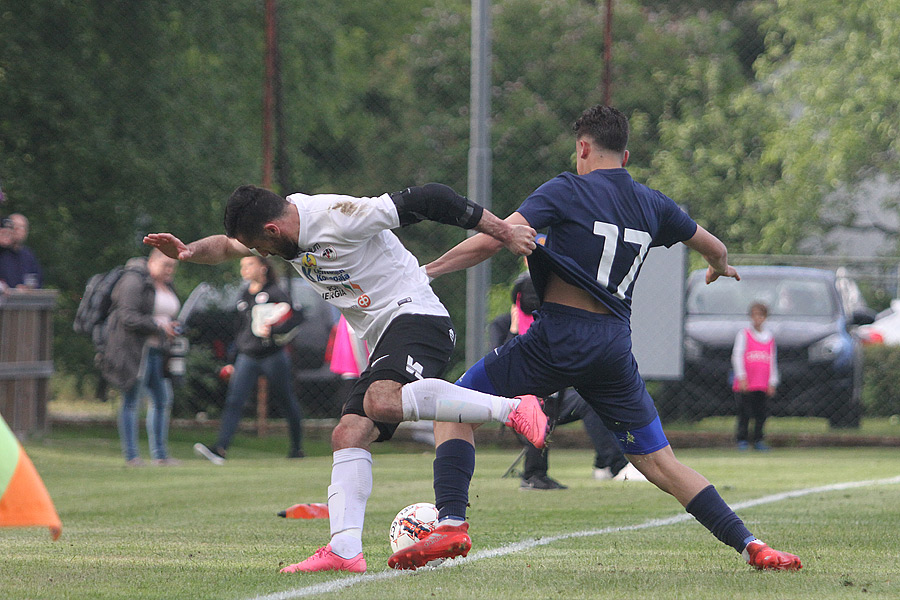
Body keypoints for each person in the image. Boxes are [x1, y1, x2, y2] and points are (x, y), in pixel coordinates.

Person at [390, 105, 801, 571]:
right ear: (624, 155)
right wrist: (719, 266)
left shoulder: (566, 189)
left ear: (583, 147)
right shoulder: (653, 203)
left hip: (558, 337)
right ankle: (752, 546)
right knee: (661, 463)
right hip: (612, 347)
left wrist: (426, 273)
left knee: (454, 405)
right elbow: (714, 246)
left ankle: (451, 524)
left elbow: (494, 237)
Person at [143, 182, 547, 573]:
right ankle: (344, 550)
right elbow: (226, 246)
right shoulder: (281, 229)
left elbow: (433, 197)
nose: (260, 254)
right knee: (349, 433)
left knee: (380, 400)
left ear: (272, 230)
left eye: (261, 246)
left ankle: (513, 408)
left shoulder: (338, 217)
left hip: (418, 318)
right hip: (388, 332)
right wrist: (186, 251)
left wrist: (503, 232)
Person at [492, 265, 646, 490]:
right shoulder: (502, 323)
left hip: (553, 393)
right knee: (539, 404)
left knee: (589, 401)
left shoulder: (549, 319)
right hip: (516, 400)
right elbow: (500, 363)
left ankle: (609, 464)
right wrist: (515, 329)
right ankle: (533, 474)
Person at [193, 255, 305, 464]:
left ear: (263, 267)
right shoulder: (244, 294)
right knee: (234, 400)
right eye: (242, 265)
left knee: (285, 400)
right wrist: (231, 358)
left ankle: (297, 448)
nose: (244, 269)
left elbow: (296, 317)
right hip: (247, 356)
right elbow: (239, 330)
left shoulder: (276, 292)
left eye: (250, 264)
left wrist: (274, 331)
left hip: (273, 356)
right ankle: (220, 449)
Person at [100, 249, 181, 466]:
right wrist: (158, 325)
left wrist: (170, 327)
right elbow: (127, 317)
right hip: (134, 351)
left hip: (158, 351)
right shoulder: (134, 280)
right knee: (131, 401)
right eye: (166, 266)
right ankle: (132, 455)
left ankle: (160, 455)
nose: (170, 271)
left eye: (173, 267)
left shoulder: (166, 284)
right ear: (152, 262)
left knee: (162, 400)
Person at [731, 301, 778, 452]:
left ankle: (758, 440)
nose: (757, 318)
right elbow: (737, 356)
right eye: (754, 315)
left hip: (762, 383)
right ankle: (742, 439)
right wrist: (742, 377)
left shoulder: (769, 337)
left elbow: (772, 360)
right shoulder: (744, 334)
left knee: (761, 413)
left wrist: (772, 382)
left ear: (765, 317)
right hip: (747, 382)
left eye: (761, 315)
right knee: (745, 412)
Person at [0, 213, 43, 289]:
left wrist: (28, 287)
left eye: (22, 227)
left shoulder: (28, 256)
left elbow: (36, 279)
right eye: (14, 227)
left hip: (23, 299)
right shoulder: (2, 253)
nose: (18, 230)